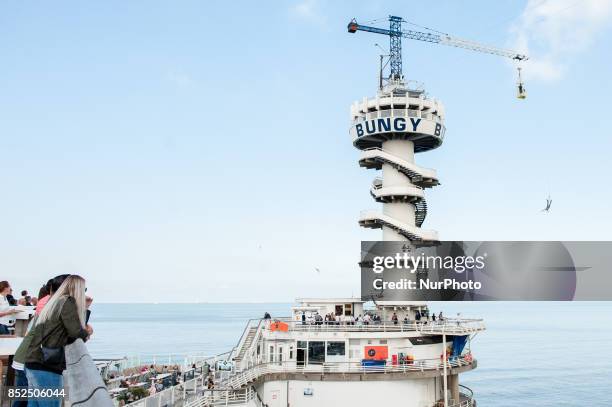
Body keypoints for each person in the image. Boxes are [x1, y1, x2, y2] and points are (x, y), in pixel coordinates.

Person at [24, 275, 93, 407]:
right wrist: (87, 333)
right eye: (83, 289)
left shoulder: (54, 302)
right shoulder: (67, 301)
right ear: (76, 289)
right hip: (47, 366)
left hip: (33, 362)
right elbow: (75, 332)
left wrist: (85, 309)